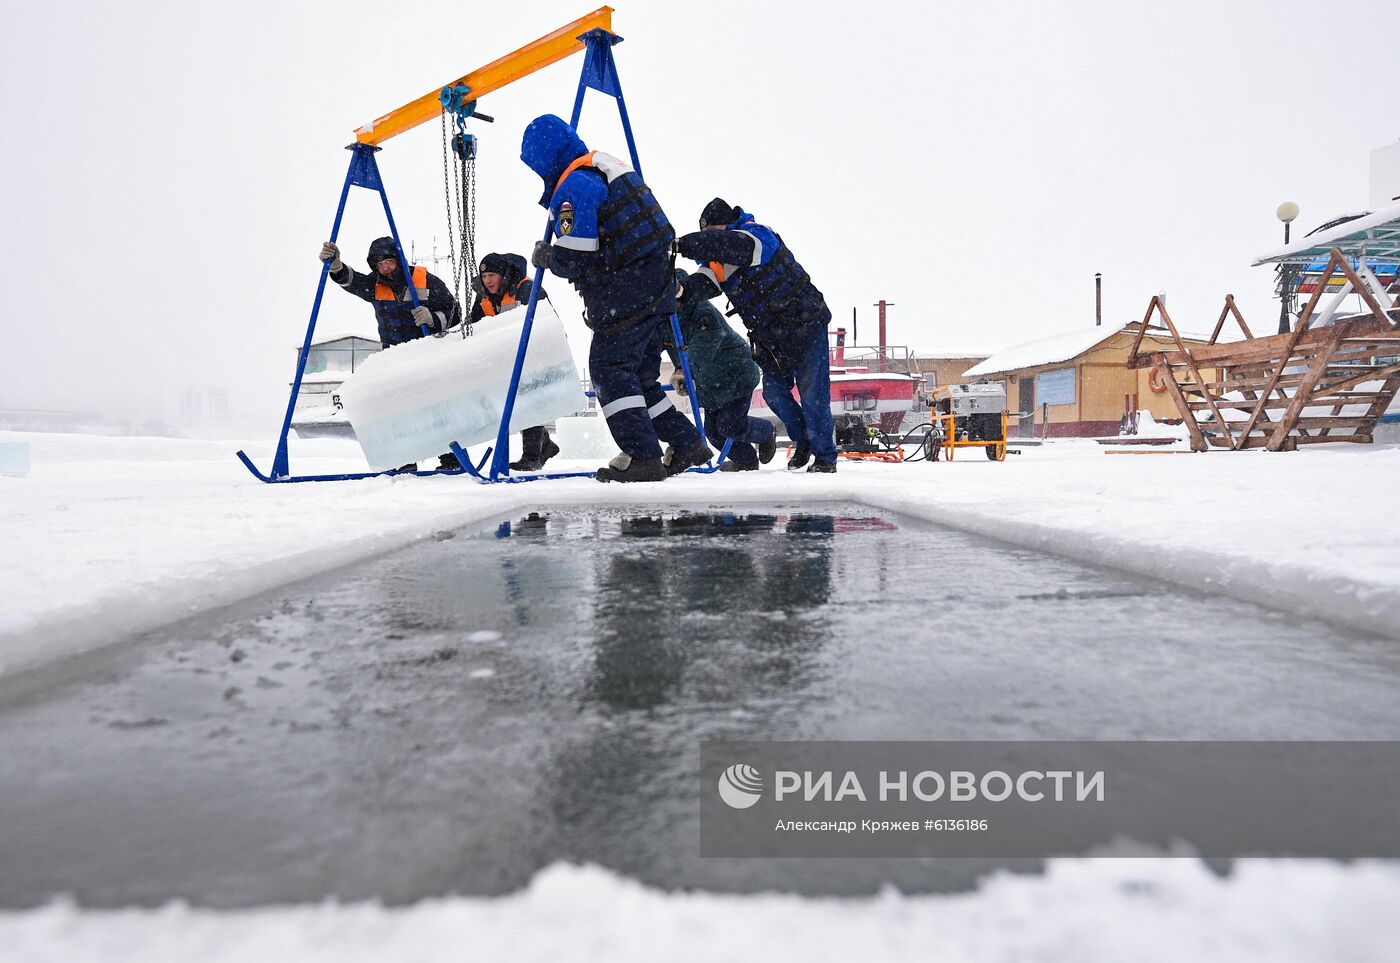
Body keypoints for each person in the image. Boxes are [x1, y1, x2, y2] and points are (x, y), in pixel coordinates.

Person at [519, 114, 710, 483]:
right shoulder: (605, 168)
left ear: (545, 159)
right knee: (640, 377)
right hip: (657, 287)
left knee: (608, 371)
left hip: (628, 292)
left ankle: (643, 457)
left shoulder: (576, 186)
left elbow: (576, 257)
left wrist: (548, 256)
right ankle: (687, 443)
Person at [675, 199, 838, 472]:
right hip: (772, 339)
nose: (709, 240)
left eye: (712, 233)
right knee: (774, 394)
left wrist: (683, 244)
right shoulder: (719, 259)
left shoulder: (756, 237)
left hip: (806, 327)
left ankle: (825, 458)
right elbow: (702, 284)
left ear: (725, 225)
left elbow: (728, 245)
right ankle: (804, 441)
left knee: (813, 396)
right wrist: (679, 291)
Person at [319, 236, 462, 471]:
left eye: (389, 262)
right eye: (379, 264)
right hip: (394, 359)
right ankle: (405, 460)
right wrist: (336, 266)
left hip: (427, 356)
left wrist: (433, 318)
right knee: (400, 412)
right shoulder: (375, 285)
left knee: (435, 408)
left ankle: (452, 459)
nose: (385, 268)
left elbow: (455, 313)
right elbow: (353, 281)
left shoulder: (426, 280)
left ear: (399, 260)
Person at [664, 269, 777, 472]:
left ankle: (766, 431)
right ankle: (747, 461)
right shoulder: (664, 319)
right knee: (713, 433)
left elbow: (701, 348)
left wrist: (683, 371)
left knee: (730, 426)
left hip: (735, 375)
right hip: (708, 383)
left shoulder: (703, 314)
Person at [470, 252, 560, 472]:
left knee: (529, 401)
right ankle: (544, 444)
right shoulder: (483, 296)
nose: (488, 281)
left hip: (535, 352)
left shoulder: (527, 289)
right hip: (505, 357)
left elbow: (547, 322)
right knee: (515, 404)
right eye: (485, 276)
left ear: (504, 275)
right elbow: (474, 325)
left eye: (492, 275)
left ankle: (532, 457)